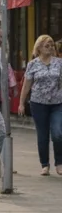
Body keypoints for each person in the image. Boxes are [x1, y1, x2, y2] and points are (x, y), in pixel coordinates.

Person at [18, 35, 62, 176]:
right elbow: (26, 85)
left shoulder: (59, 63)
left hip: (57, 103)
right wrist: (21, 103)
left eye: (51, 45)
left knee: (57, 133)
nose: (50, 47)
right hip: (38, 104)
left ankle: (59, 163)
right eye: (47, 45)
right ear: (39, 48)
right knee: (42, 135)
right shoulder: (33, 64)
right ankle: (45, 164)